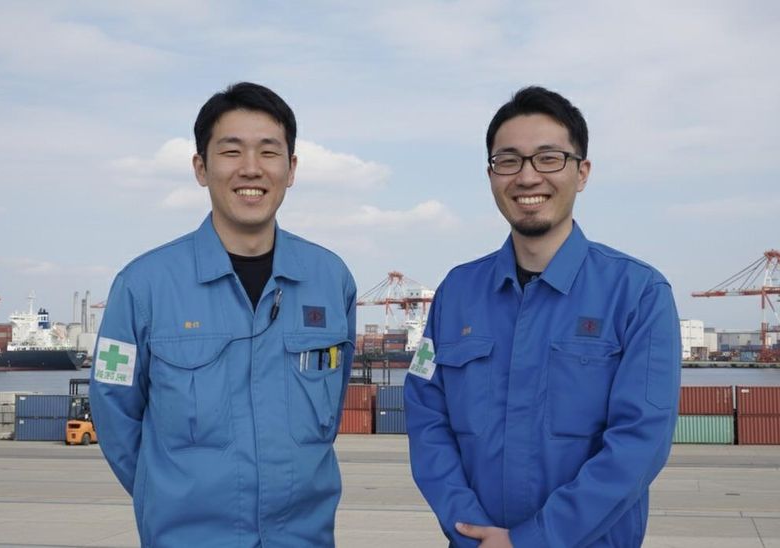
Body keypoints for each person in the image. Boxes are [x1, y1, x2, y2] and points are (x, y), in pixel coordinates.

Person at [404, 86, 680, 547]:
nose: (527, 177)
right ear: (491, 175)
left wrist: (533, 539)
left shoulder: (638, 294)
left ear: (582, 172)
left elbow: (640, 441)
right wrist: (469, 528)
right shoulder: (456, 294)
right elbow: (425, 415)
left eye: (549, 158)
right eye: (508, 161)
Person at [90, 82, 356, 547]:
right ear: (201, 167)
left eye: (268, 152)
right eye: (231, 151)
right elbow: (113, 411)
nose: (251, 168)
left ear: (291, 168)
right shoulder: (141, 286)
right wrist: (170, 495)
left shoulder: (331, 280)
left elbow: (329, 413)